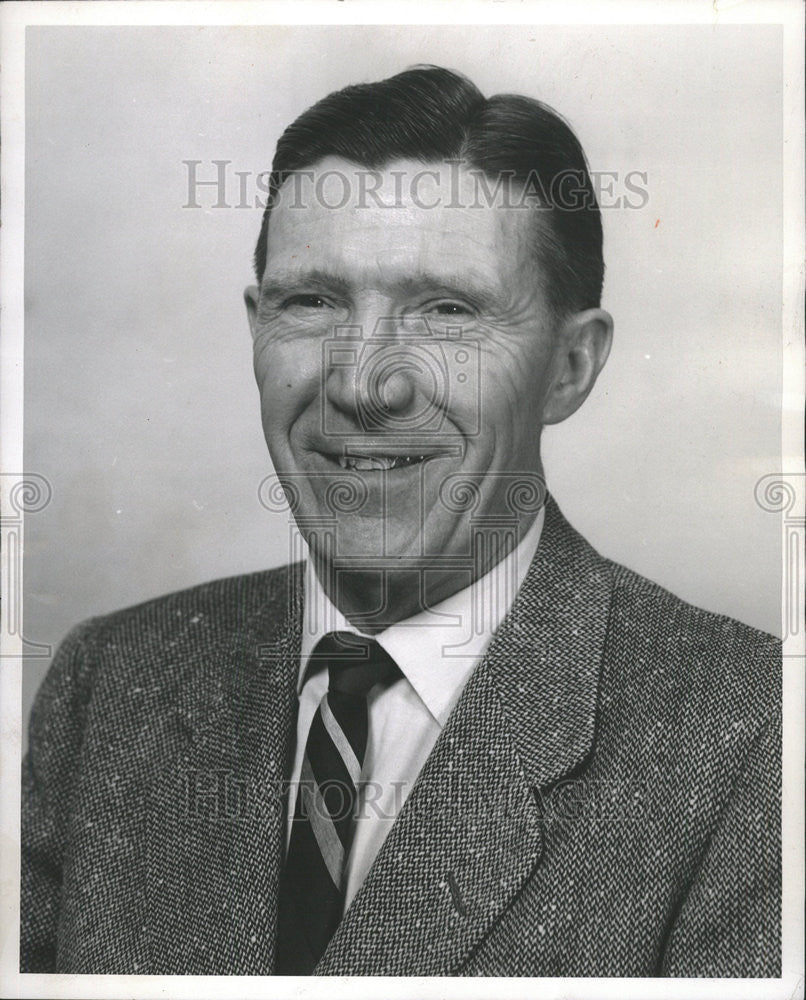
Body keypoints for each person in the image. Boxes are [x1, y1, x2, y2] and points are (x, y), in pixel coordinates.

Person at [21, 65, 780, 977]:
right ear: (257, 329)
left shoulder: (753, 736)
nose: (359, 384)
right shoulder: (110, 681)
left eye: (446, 311)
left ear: (571, 367)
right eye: (313, 303)